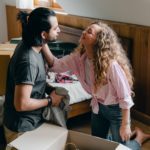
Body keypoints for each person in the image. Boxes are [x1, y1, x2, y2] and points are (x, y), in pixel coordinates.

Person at [42, 21, 150, 150]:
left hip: (116, 109)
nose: (84, 32)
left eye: (89, 32)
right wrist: (42, 42)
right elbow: (56, 65)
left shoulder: (111, 65)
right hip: (97, 107)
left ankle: (138, 138)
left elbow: (125, 96)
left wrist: (125, 125)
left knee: (122, 148)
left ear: (99, 41)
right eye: (85, 30)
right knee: (97, 144)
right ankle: (130, 136)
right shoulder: (79, 58)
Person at [3, 7, 63, 143]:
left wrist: (49, 89)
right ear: (43, 34)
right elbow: (21, 104)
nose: (59, 31)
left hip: (31, 122)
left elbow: (37, 79)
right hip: (21, 128)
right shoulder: (28, 61)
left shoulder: (33, 43)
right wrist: (50, 100)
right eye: (55, 28)